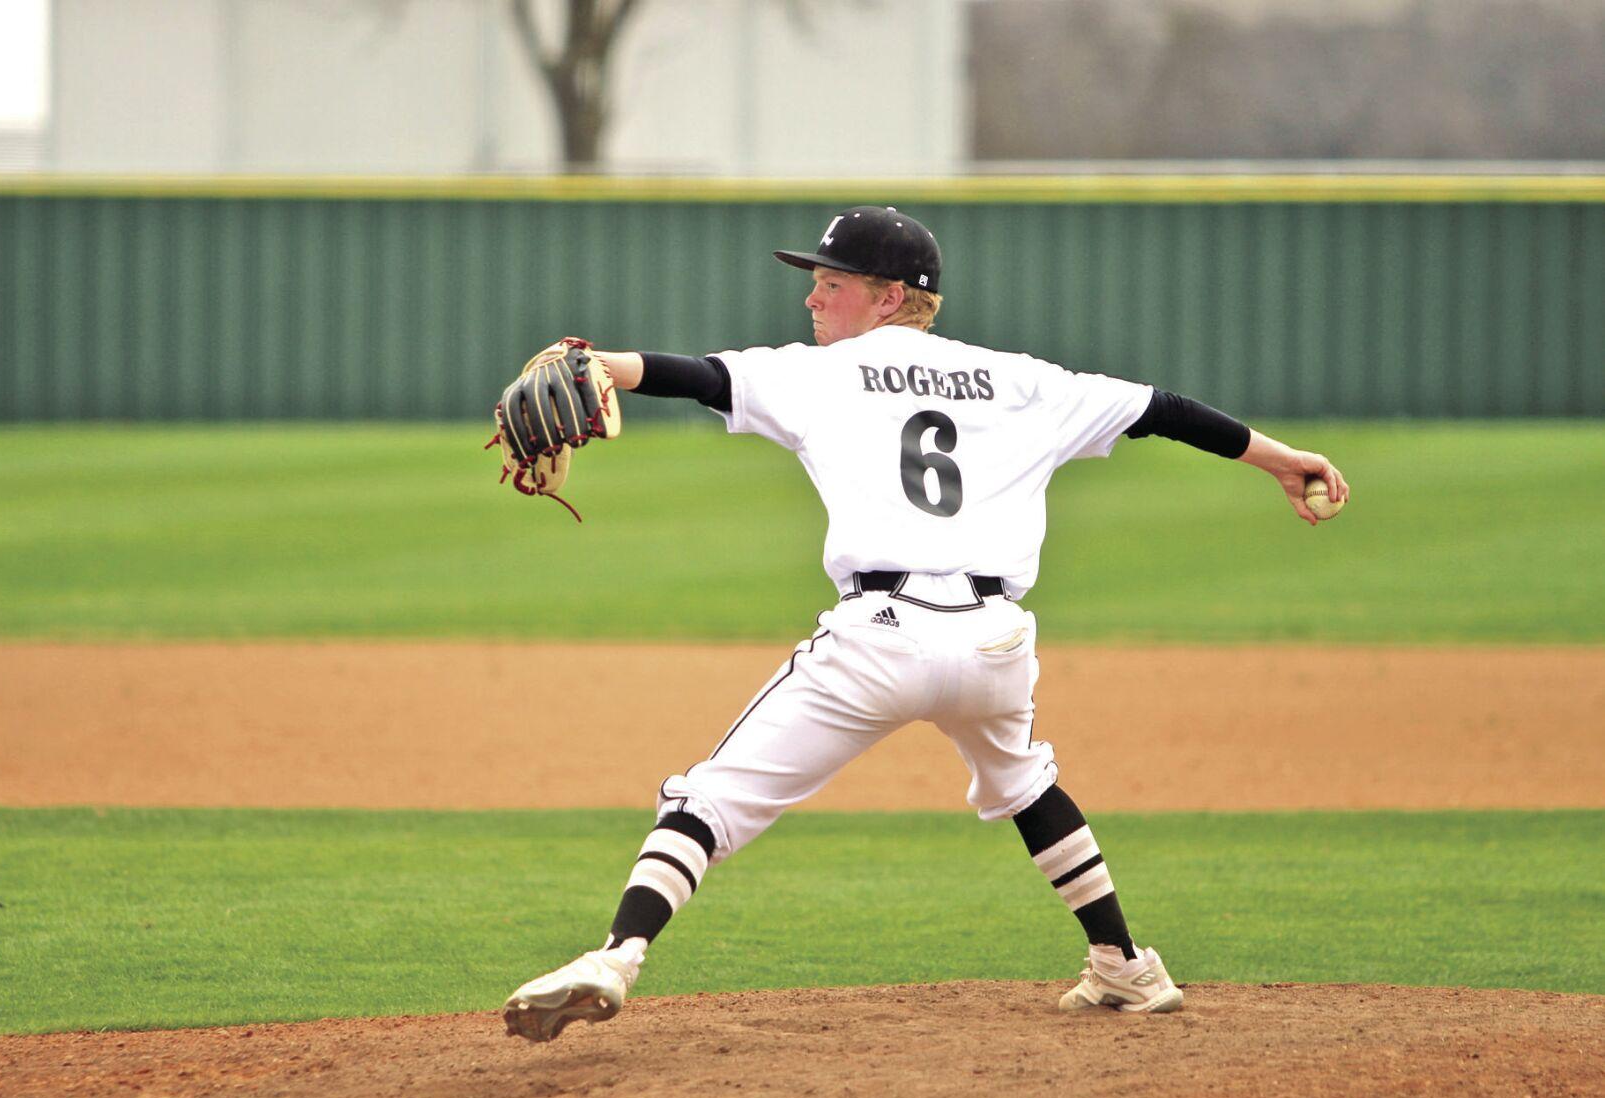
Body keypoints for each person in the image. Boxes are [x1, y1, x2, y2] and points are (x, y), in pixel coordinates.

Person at [501, 205, 1349, 1042]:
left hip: (879, 637)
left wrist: (592, 361)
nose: (811, 299)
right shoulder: (1024, 380)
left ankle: (616, 956)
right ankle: (1125, 965)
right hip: (994, 643)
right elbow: (1166, 409)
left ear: (886, 297)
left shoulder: (820, 374)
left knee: (711, 796)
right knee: (1023, 782)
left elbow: (691, 375)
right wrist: (1283, 460)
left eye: (829, 284)